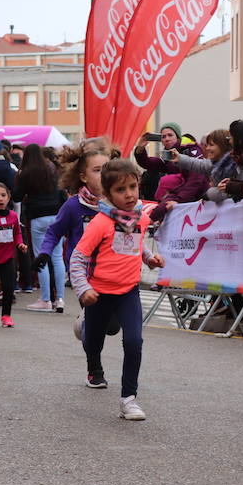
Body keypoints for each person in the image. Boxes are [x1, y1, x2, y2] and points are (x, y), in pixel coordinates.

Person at [70, 159, 165, 419]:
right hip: (98, 293)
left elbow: (134, 244)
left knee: (134, 341)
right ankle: (86, 329)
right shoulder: (100, 222)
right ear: (108, 194)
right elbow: (78, 258)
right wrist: (83, 290)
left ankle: (128, 399)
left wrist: (149, 258)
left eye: (133, 187)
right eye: (121, 190)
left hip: (128, 291)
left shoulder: (141, 217)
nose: (129, 194)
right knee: (93, 342)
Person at [34, 143, 117, 346]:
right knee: (97, 324)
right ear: (83, 177)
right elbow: (54, 231)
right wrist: (45, 252)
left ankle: (86, 320)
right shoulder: (73, 205)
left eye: (107, 170)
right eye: (97, 171)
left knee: (113, 327)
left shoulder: (118, 204)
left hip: (111, 271)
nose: (103, 175)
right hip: (83, 274)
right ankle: (94, 368)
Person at [13, 143, 67, 313]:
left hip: (38, 217)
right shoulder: (52, 169)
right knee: (57, 257)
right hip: (56, 215)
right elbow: (62, 192)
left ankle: (45, 299)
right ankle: (60, 300)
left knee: (41, 256)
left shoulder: (26, 172)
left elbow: (16, 196)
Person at [133, 122, 209, 222]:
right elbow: (149, 164)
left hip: (193, 201)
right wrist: (140, 148)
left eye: (170, 135)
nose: (166, 139)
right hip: (178, 199)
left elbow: (196, 180)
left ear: (178, 137)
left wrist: (178, 200)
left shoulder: (191, 150)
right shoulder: (168, 155)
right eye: (163, 137)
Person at [0, 182, 28, 327]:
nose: (0, 199)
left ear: (9, 197)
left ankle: (6, 316)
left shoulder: (13, 216)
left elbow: (17, 233)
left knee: (9, 288)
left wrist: (20, 244)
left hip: (8, 258)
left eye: (3, 195)